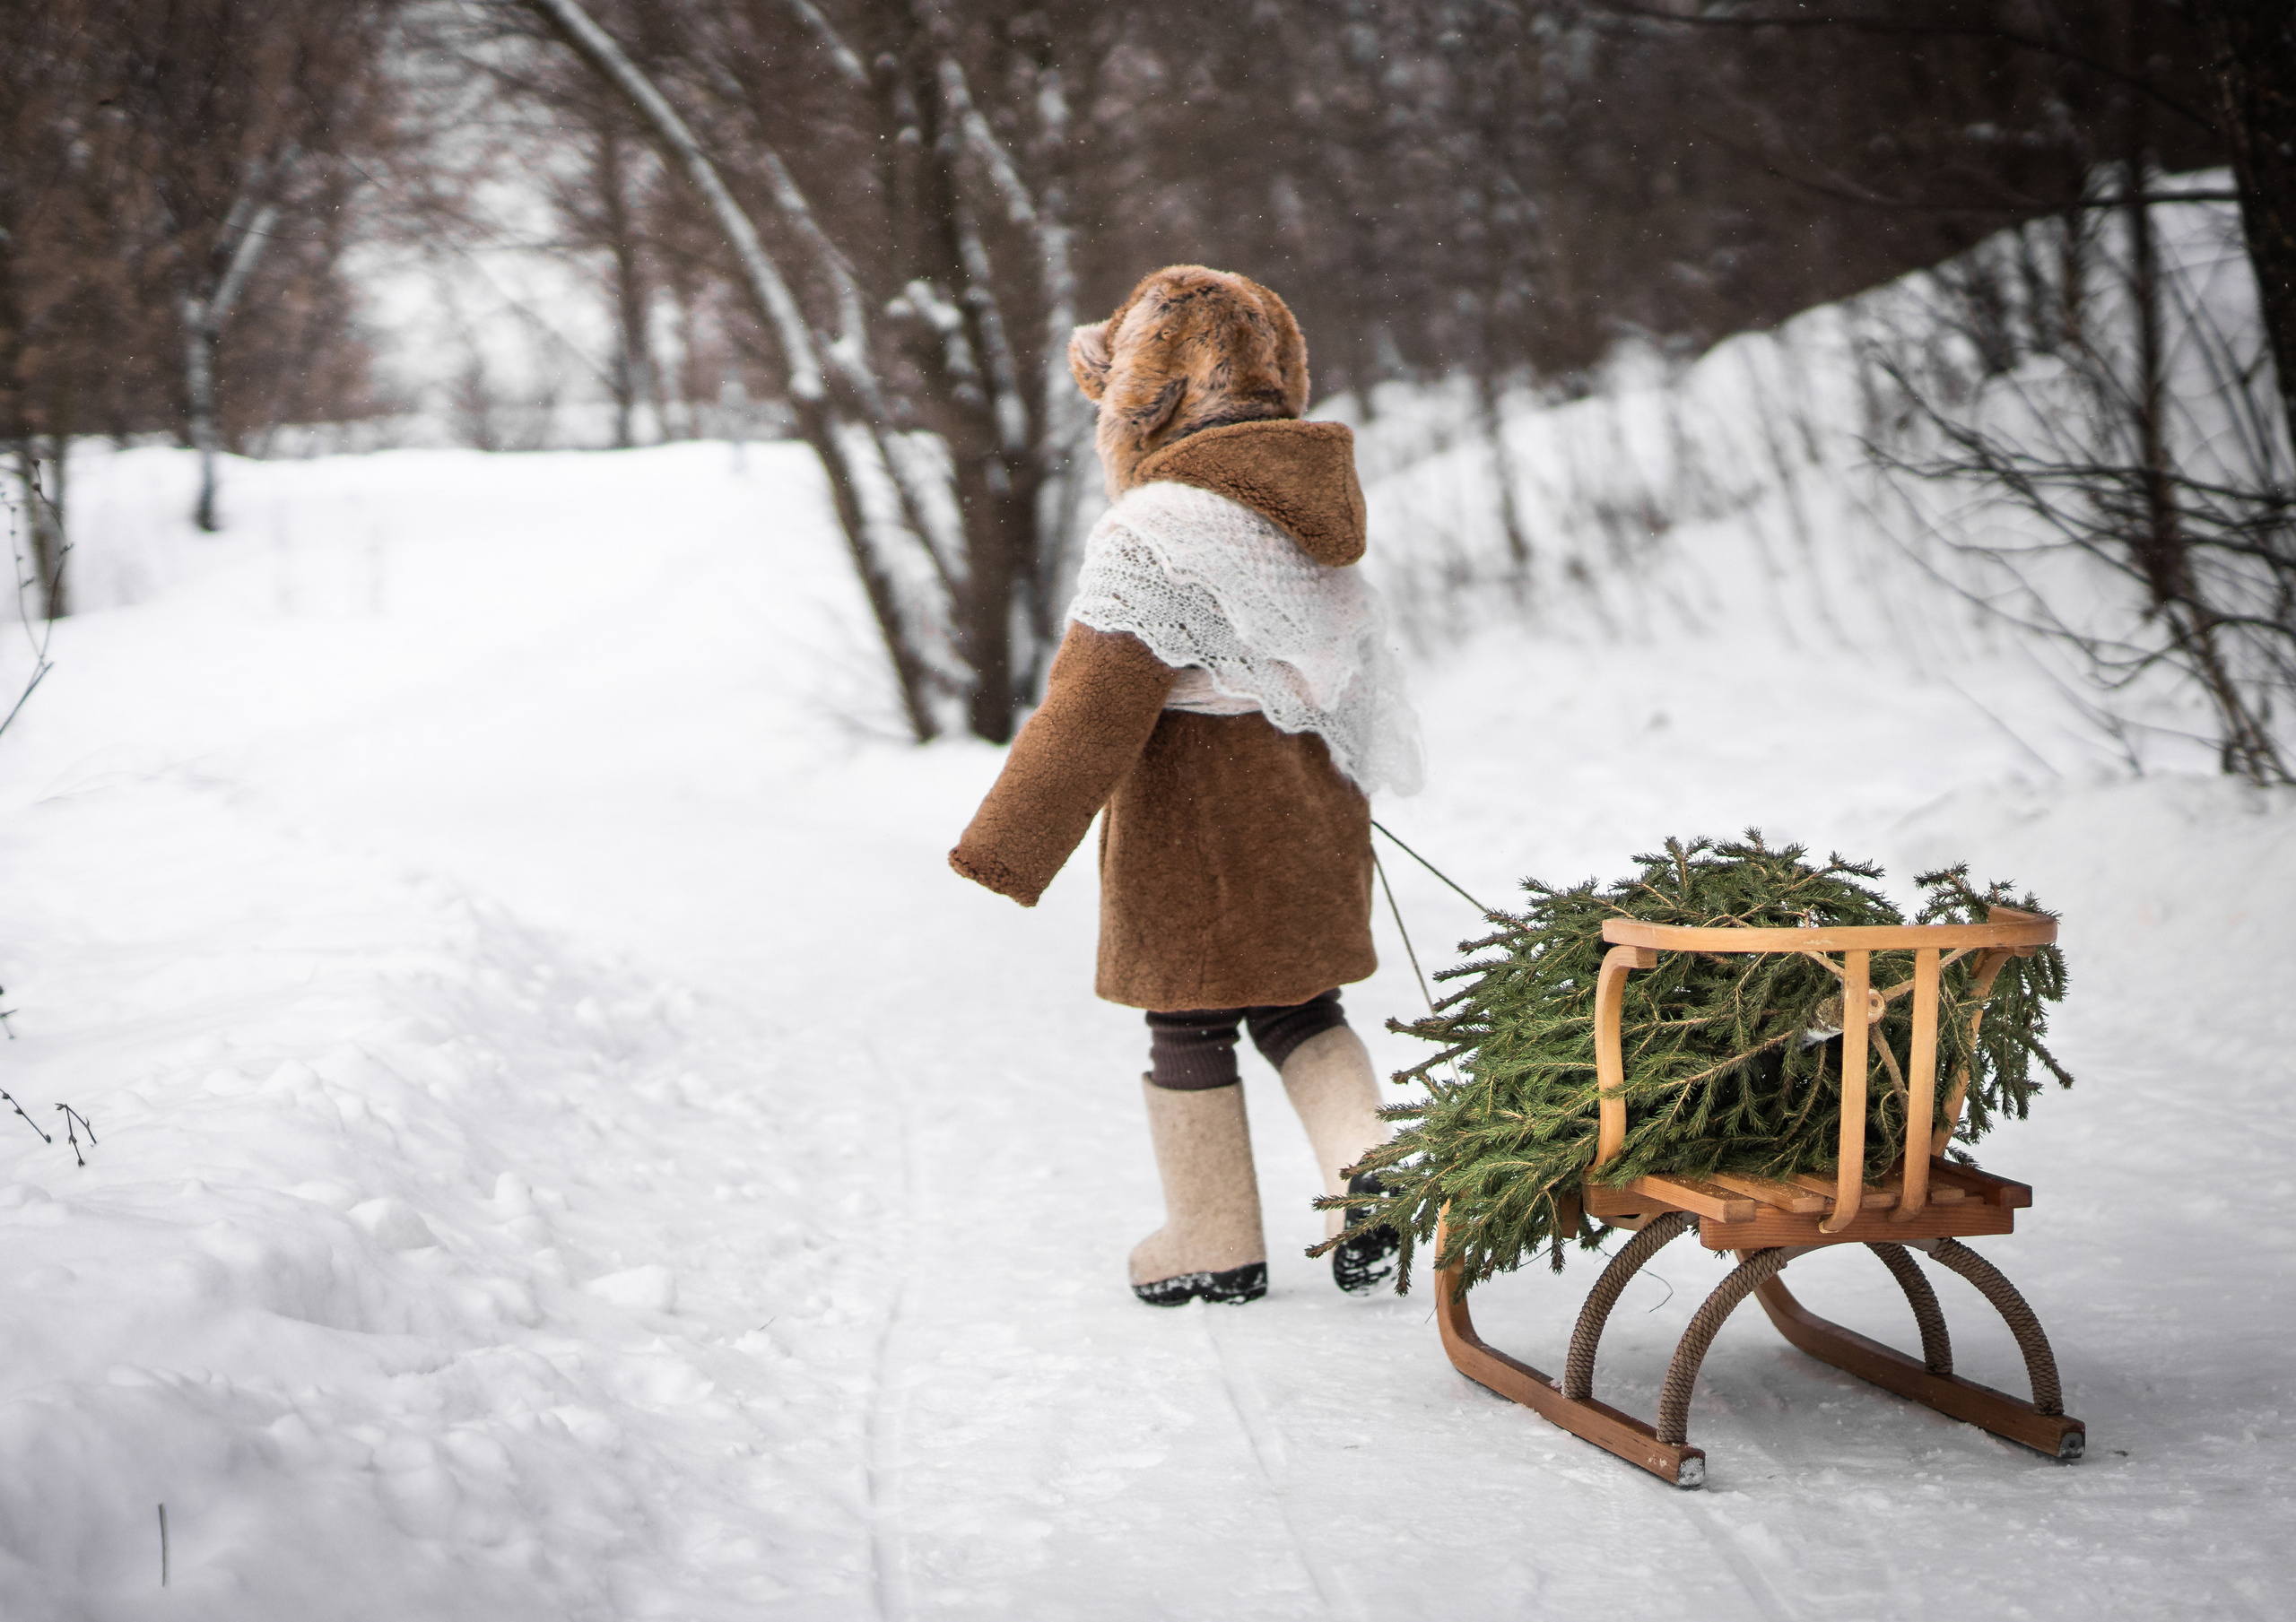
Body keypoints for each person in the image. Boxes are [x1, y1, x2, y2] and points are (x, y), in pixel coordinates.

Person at [949, 264, 1422, 1305]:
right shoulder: (1312, 514)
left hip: (1195, 819)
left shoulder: (1159, 531)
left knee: (1189, 1019)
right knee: (1302, 1006)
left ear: (1145, 398)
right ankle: (1369, 1175)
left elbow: (1092, 704)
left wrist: (1007, 842)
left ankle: (1212, 1242)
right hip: (1306, 799)